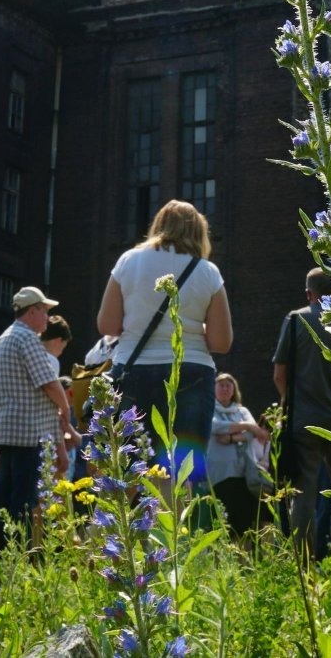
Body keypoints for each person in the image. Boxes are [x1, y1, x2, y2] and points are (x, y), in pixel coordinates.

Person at [97, 200, 232, 491]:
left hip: (133, 371)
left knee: (126, 467)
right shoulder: (207, 271)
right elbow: (221, 342)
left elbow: (107, 325)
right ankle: (174, 521)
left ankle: (121, 519)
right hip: (191, 372)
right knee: (180, 472)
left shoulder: (128, 261)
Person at [273, 266, 331, 555]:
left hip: (304, 420)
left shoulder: (295, 320)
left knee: (303, 496)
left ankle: (304, 563)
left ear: (308, 294)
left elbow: (279, 375)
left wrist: (292, 401)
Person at [0, 285, 78, 555]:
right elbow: (50, 384)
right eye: (44, 311)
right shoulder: (27, 339)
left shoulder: (3, 339)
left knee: (4, 500)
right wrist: (65, 408)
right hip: (29, 432)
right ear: (32, 311)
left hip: (8, 431)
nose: (47, 318)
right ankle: (18, 559)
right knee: (24, 501)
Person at [207, 372, 269, 536]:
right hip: (220, 473)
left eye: (228, 386)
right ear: (214, 388)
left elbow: (255, 433)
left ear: (234, 389)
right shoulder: (209, 409)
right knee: (223, 517)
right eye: (221, 385)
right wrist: (246, 427)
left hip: (243, 472)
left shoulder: (242, 411)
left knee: (244, 518)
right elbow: (215, 426)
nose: (225, 389)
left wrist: (231, 438)